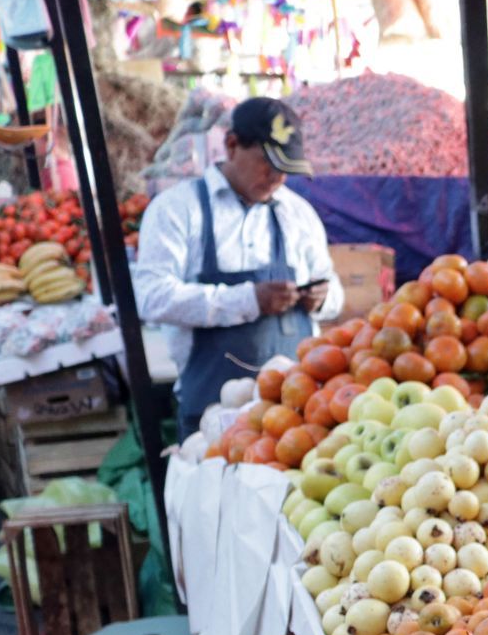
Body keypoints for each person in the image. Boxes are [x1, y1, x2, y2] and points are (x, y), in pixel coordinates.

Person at [133, 96, 342, 434]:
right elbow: (152, 297)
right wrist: (247, 300)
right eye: (266, 163)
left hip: (295, 416)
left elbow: (334, 292)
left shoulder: (298, 213)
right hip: (212, 417)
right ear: (231, 145)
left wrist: (322, 297)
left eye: (285, 169)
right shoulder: (177, 209)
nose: (276, 177)